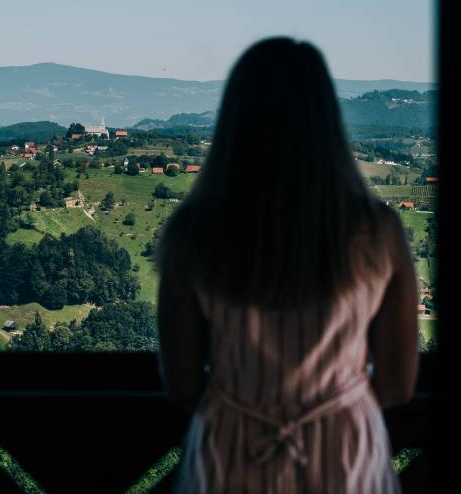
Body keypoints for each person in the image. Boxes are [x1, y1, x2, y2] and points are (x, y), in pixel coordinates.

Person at [155, 37, 418, 493]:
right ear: (327, 119)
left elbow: (180, 383)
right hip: (346, 454)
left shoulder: (194, 231)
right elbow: (396, 385)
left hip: (230, 451)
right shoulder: (378, 230)